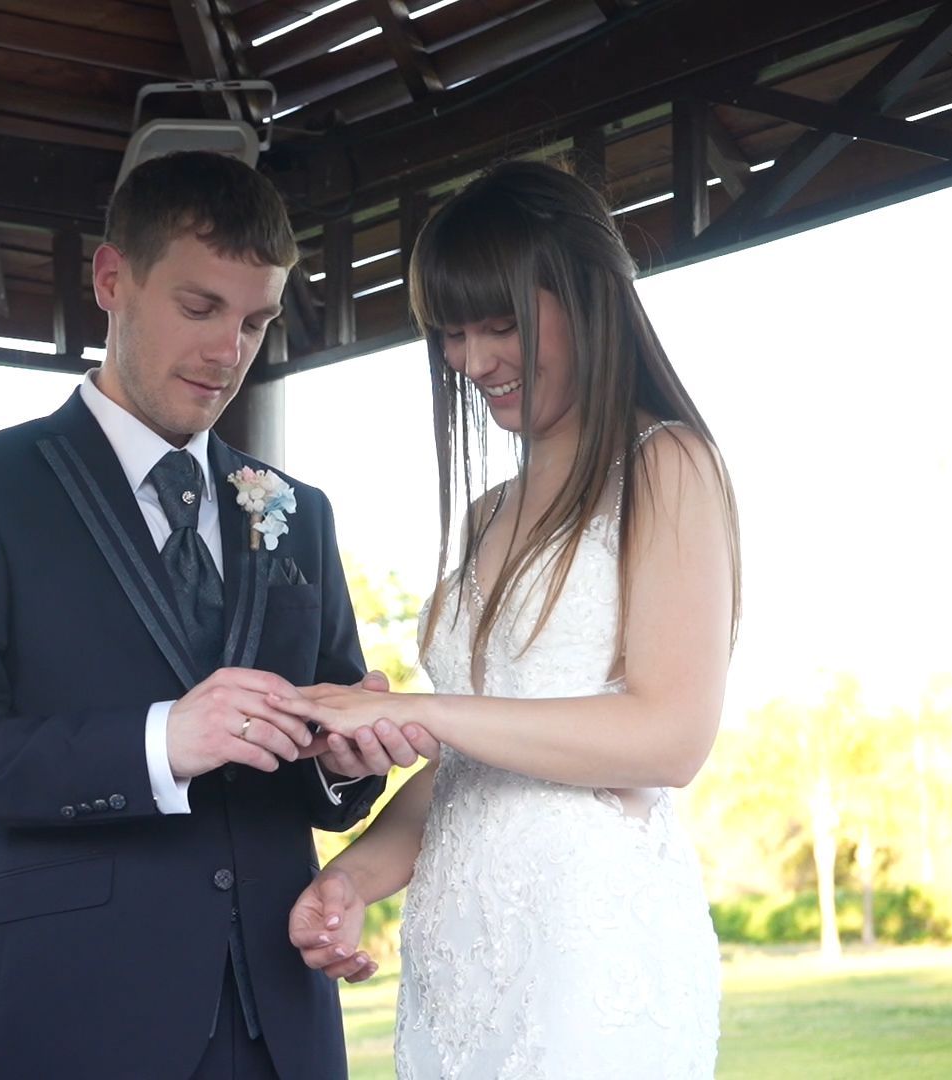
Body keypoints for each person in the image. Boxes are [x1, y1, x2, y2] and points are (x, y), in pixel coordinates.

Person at [0, 150, 425, 1079]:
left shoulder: (301, 511)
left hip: (279, 1019)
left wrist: (342, 765)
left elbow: (326, 787)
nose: (230, 352)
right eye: (200, 307)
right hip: (65, 1015)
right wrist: (160, 740)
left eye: (256, 321)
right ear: (111, 279)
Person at [277, 160, 741, 1077]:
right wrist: (350, 880)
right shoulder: (485, 513)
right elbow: (475, 771)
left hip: (590, 951)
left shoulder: (667, 465)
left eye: (501, 326)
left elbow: (671, 737)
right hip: (461, 953)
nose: (471, 361)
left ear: (591, 299)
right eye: (451, 333)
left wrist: (417, 712)